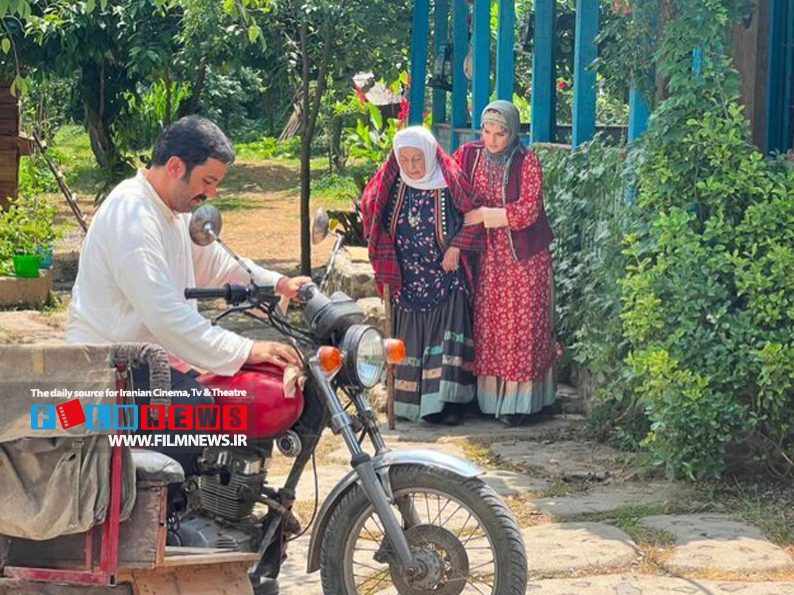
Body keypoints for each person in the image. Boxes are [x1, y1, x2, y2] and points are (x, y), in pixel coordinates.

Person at [66, 116, 308, 469]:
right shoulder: (132, 215)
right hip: (107, 370)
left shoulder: (174, 214)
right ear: (176, 167)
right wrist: (246, 349)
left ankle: (235, 492)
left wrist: (280, 284)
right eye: (207, 181)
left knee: (246, 393)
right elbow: (165, 316)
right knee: (193, 408)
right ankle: (168, 502)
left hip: (150, 365)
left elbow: (220, 265)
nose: (211, 194)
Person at [361, 126, 482, 425]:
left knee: (446, 337)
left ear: (429, 154)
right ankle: (409, 403)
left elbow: (474, 217)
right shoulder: (392, 183)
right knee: (410, 340)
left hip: (445, 275)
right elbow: (370, 210)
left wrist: (456, 247)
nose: (412, 167)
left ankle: (448, 404)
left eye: (417, 159)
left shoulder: (450, 180)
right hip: (407, 277)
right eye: (405, 160)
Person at [454, 100, 557, 425]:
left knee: (520, 326)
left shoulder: (527, 162)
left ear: (513, 134)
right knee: (488, 325)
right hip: (486, 255)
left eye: (500, 133)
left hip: (523, 257)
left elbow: (528, 210)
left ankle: (520, 404)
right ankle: (487, 400)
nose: (492, 140)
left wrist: (485, 215)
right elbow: (448, 186)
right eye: (487, 131)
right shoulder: (468, 156)